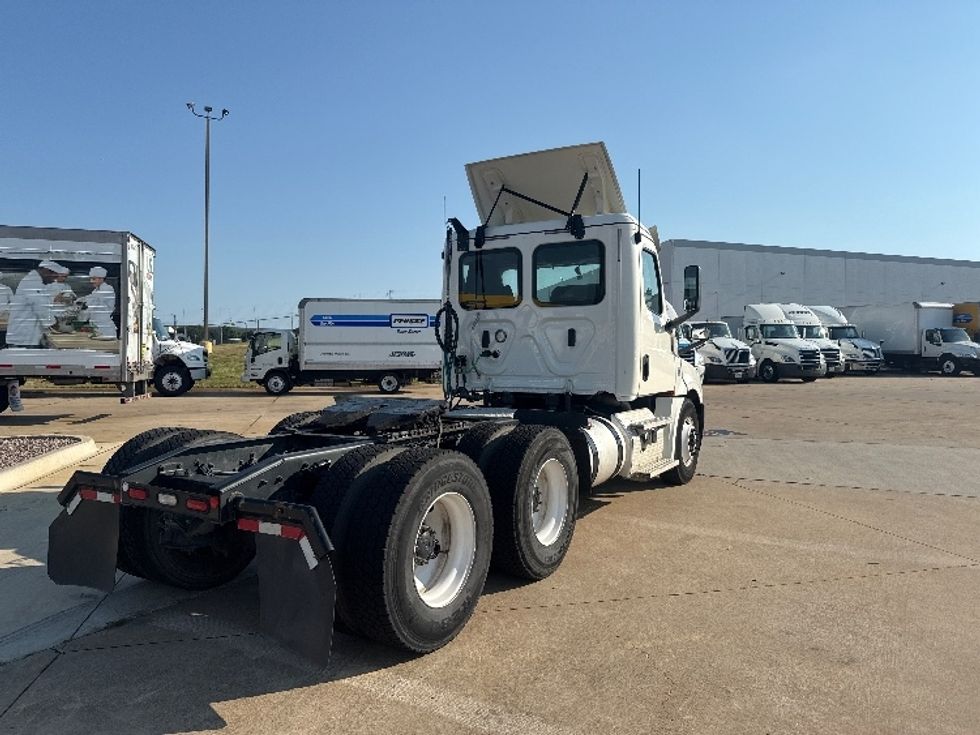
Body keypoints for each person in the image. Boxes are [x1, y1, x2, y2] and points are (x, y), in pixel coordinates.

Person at [5, 260, 61, 348]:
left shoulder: (37, 282)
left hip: (28, 336)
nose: (53, 281)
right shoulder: (31, 283)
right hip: (23, 338)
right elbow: (41, 307)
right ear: (46, 271)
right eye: (54, 277)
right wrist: (55, 324)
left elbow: (46, 305)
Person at [82, 266, 116, 338]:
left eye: (94, 279)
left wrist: (80, 301)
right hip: (96, 327)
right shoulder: (95, 290)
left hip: (105, 328)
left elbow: (92, 300)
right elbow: (90, 306)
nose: (91, 281)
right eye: (91, 279)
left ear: (101, 278)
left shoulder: (108, 289)